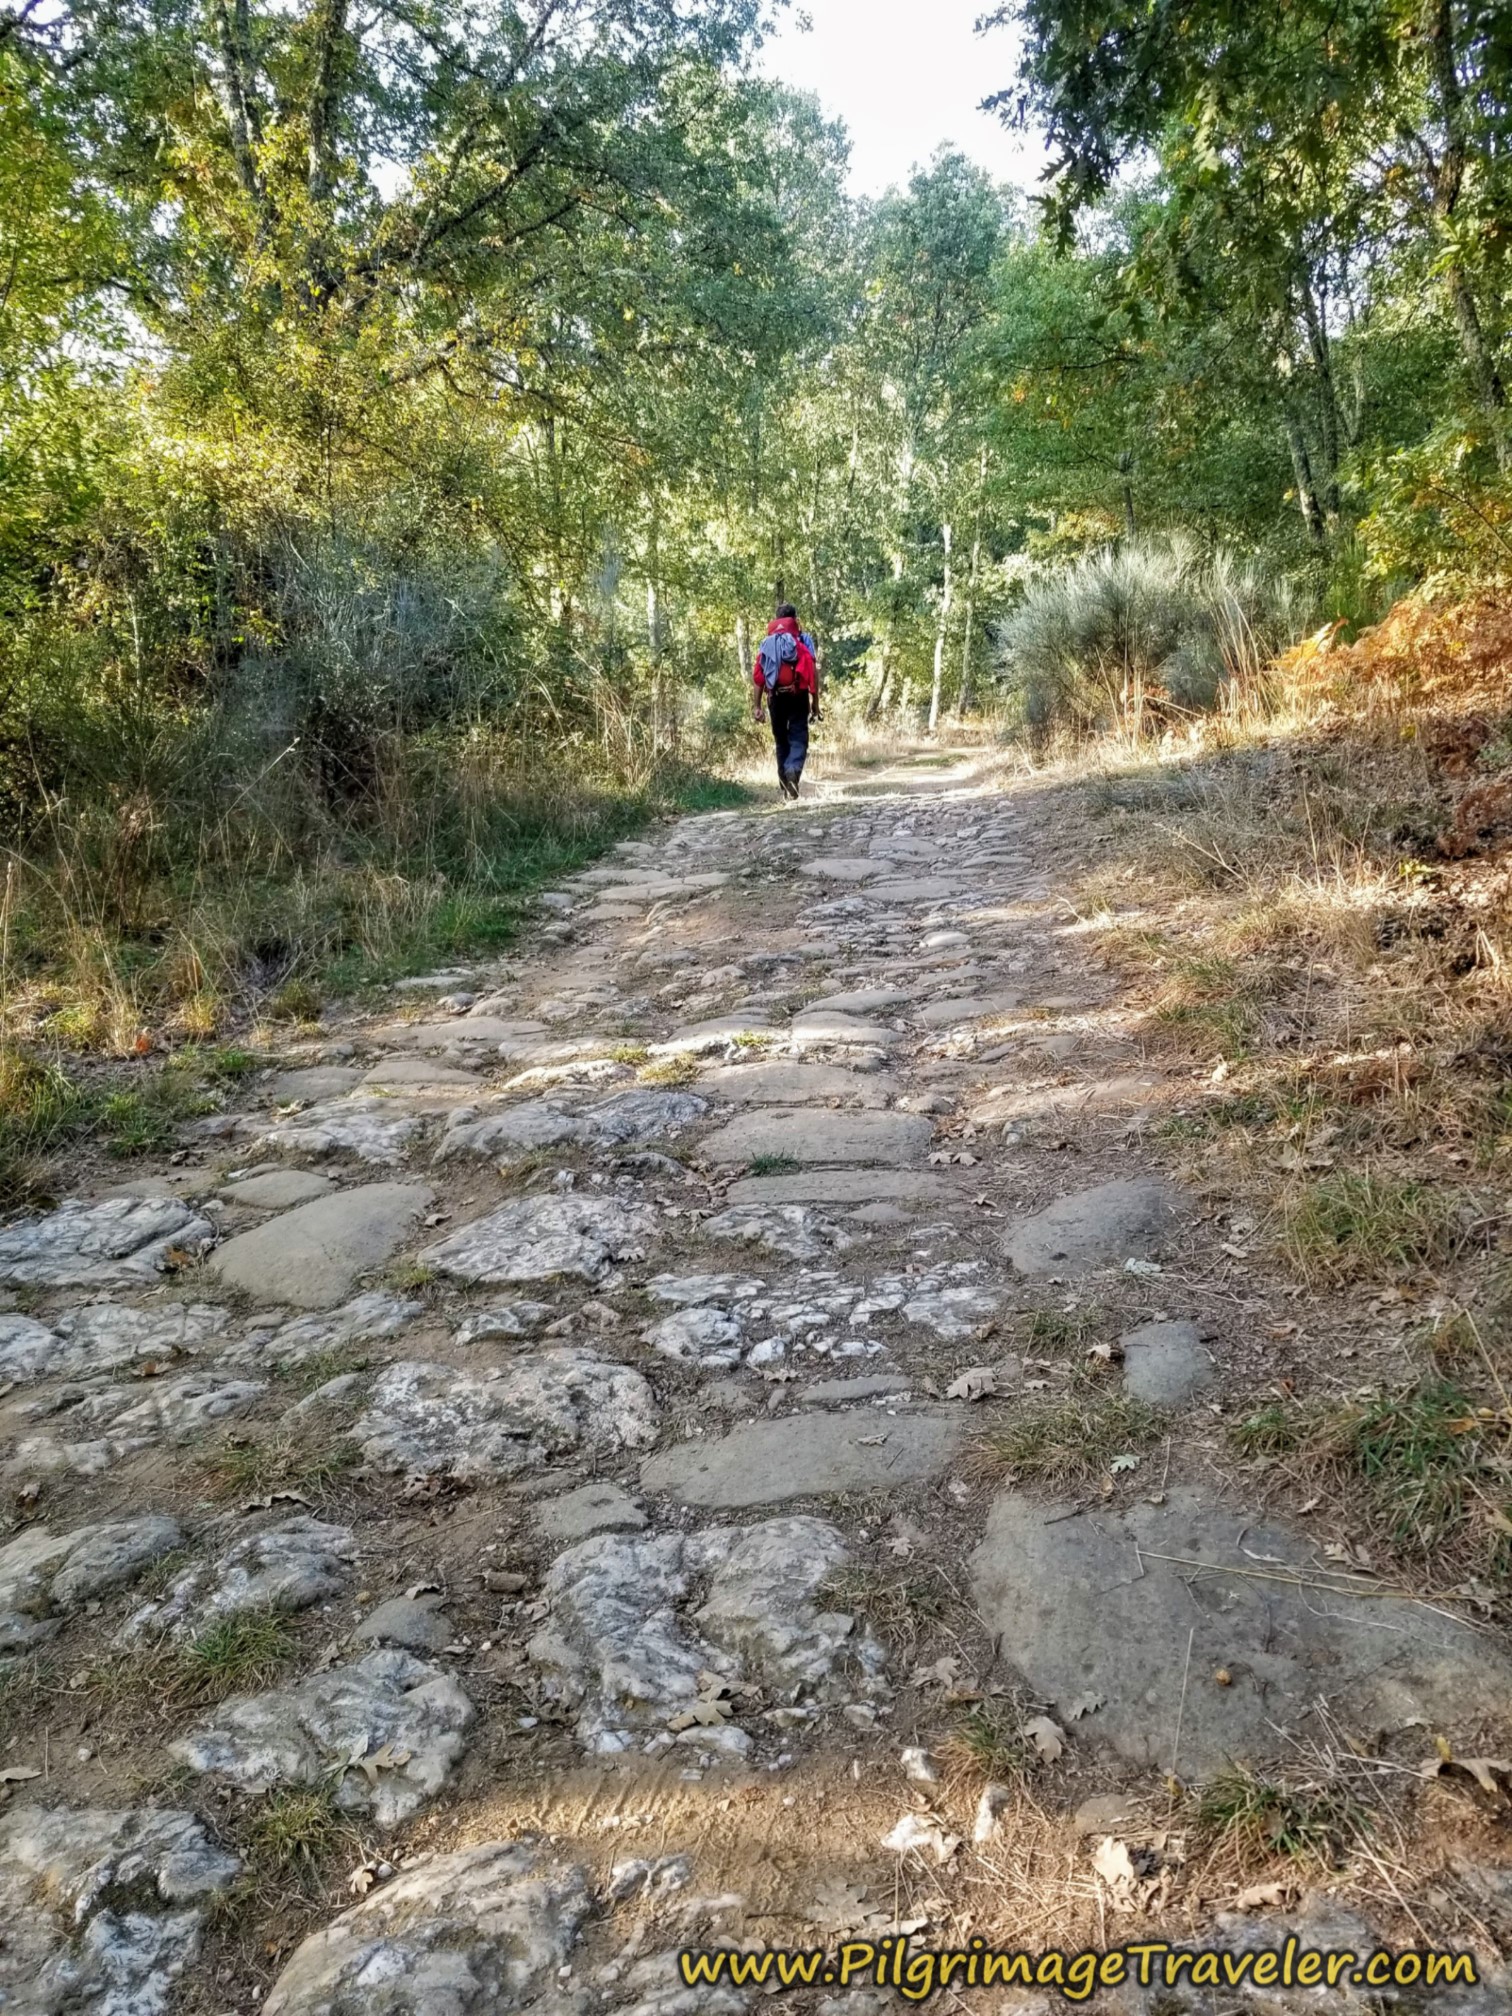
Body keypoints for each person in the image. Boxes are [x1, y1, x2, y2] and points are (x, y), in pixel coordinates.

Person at [751, 603, 822, 799]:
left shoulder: (767, 642)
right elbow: (813, 672)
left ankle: (784, 785)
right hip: (798, 695)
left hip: (775, 697)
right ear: (795, 620)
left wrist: (756, 706)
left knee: (781, 741)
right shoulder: (803, 639)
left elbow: (758, 676)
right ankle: (793, 771)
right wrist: (815, 702)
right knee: (799, 736)